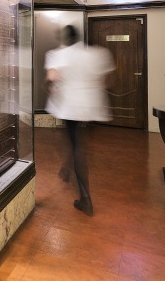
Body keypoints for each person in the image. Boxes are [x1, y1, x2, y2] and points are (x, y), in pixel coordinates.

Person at [44, 25, 115, 216]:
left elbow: (52, 77)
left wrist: (50, 88)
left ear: (64, 38)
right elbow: (106, 80)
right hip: (91, 107)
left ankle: (85, 198)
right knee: (78, 143)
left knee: (76, 146)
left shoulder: (58, 54)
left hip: (70, 106)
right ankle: (67, 168)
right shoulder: (97, 53)